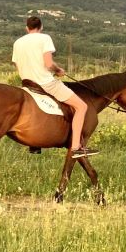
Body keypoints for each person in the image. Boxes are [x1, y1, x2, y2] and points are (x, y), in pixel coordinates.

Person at [12, 15, 98, 158]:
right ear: (41, 27)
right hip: (45, 83)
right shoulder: (45, 38)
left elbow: (16, 64)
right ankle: (76, 147)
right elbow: (48, 63)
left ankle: (34, 144)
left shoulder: (18, 42)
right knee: (81, 106)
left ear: (27, 28)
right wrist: (58, 71)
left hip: (27, 83)